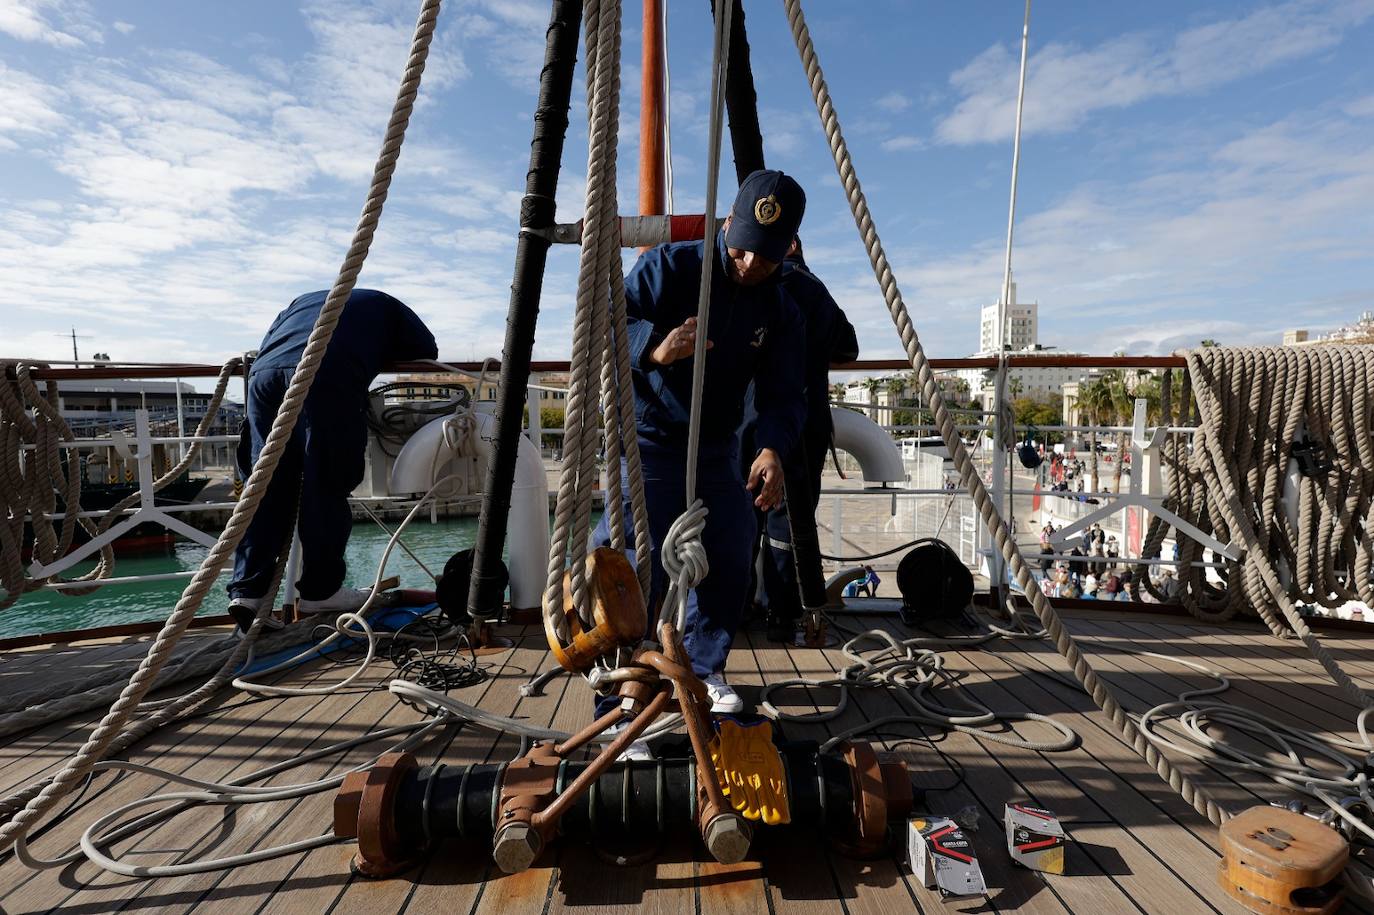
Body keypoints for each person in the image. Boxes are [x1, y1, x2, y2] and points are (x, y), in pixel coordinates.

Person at [594, 168, 807, 715]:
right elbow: (608, 324)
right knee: (628, 559)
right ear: (728, 225)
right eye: (742, 251)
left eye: (767, 255)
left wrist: (770, 448)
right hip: (648, 441)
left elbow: (785, 394)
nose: (751, 264)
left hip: (716, 449)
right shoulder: (669, 267)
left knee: (733, 550)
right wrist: (653, 349)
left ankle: (701, 666)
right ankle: (620, 691)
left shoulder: (780, 307)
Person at [227, 289, 437, 631]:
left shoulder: (298, 302)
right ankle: (320, 591)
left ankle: (248, 592)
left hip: (263, 377)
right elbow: (426, 348)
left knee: (266, 485)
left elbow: (269, 338)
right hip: (326, 372)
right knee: (325, 482)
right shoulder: (388, 307)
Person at [742, 234, 858, 642]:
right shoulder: (813, 291)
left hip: (744, 421)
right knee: (788, 523)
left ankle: (737, 606)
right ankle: (784, 613)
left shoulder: (750, 285)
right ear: (797, 245)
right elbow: (850, 348)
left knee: (741, 516)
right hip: (800, 423)